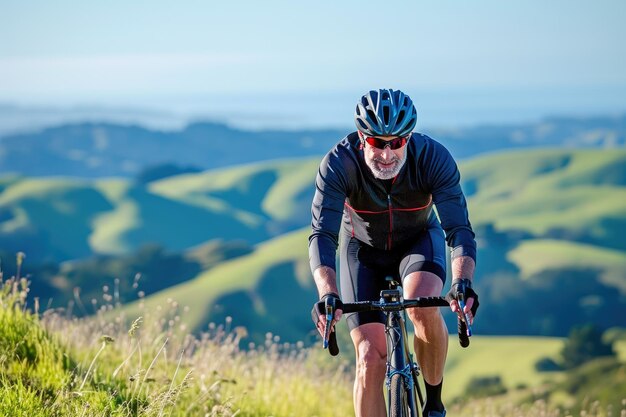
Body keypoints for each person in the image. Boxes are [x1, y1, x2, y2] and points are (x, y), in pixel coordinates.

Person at [309, 89, 479, 417]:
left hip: (418, 242)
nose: (387, 154)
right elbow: (322, 234)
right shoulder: (338, 163)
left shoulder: (433, 158)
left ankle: (433, 403)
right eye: (377, 143)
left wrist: (462, 281)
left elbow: (459, 230)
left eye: (397, 143)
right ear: (362, 137)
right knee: (370, 356)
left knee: (422, 307)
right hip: (362, 250)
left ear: (408, 138)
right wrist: (327, 293)